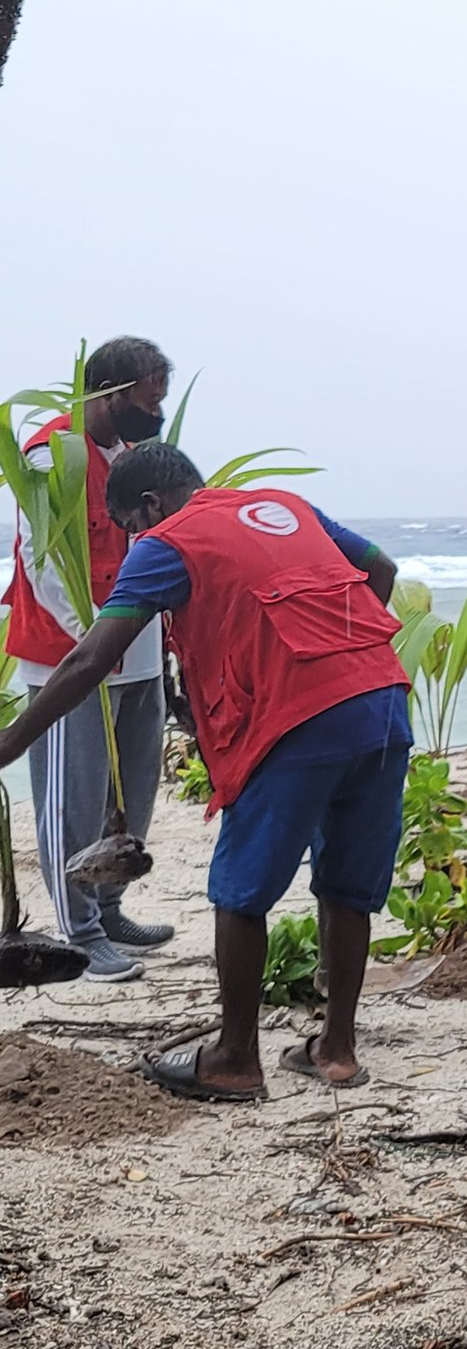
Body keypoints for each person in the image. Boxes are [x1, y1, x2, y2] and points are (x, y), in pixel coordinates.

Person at [0, 445, 413, 1099]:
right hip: (383, 700)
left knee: (239, 892)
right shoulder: (283, 505)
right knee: (346, 885)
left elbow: (87, 662)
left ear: (151, 507)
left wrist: (13, 741)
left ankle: (235, 1060)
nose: (135, 541)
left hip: (297, 718)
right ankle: (336, 1051)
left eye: (131, 526)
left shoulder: (165, 542)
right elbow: (380, 570)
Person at [3, 337, 174, 983]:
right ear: (107, 393)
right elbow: (41, 558)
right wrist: (91, 641)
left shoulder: (134, 460)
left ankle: (110, 903)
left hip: (137, 659)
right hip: (69, 661)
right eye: (146, 400)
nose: (155, 413)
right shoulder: (53, 455)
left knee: (133, 790)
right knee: (72, 800)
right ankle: (80, 929)